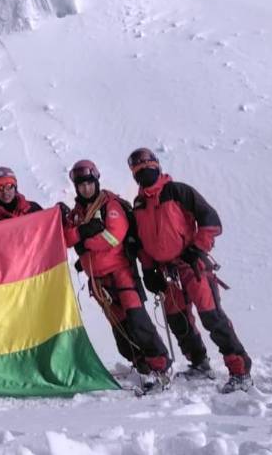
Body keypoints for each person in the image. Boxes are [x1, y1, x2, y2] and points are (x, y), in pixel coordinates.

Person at [128, 147, 252, 393]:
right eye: (139, 170)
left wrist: (196, 249)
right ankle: (199, 363)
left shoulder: (178, 191)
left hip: (192, 266)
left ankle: (240, 371)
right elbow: (143, 242)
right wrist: (149, 270)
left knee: (211, 316)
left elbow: (211, 220)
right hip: (166, 271)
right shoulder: (139, 203)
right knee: (178, 320)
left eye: (149, 167)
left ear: (158, 167)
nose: (145, 173)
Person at [61, 160, 171, 391]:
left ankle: (159, 366)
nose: (86, 189)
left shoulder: (110, 205)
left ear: (96, 182)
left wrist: (84, 241)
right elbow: (67, 239)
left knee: (138, 321)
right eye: (81, 185)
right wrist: (82, 232)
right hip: (99, 282)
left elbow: (113, 237)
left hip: (121, 274)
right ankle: (142, 366)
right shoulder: (77, 214)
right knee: (121, 332)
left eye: (89, 184)